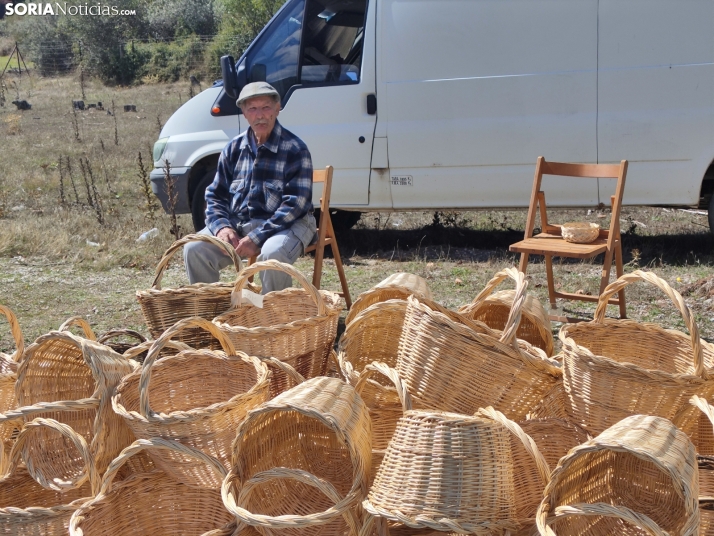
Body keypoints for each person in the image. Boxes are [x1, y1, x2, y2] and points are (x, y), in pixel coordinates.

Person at [184, 82, 316, 293]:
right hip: (240, 224)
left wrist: (257, 238)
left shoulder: (295, 149)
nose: (260, 115)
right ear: (244, 113)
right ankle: (211, 318)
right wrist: (222, 227)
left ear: (277, 108)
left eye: (265, 107)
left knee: (272, 255)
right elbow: (215, 196)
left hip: (287, 226)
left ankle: (274, 320)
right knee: (195, 249)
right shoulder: (233, 148)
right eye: (252, 109)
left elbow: (295, 205)